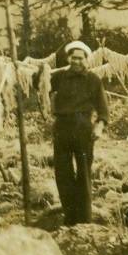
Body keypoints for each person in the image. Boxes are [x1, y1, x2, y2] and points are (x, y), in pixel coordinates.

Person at [47, 40, 109, 226]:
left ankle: (84, 220)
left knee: (83, 174)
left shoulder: (93, 80)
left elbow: (103, 108)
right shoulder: (58, 77)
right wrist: (38, 71)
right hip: (62, 128)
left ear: (86, 60)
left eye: (80, 58)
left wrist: (99, 126)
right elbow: (39, 83)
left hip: (83, 129)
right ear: (68, 58)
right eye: (73, 58)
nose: (77, 61)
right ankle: (69, 217)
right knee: (63, 174)